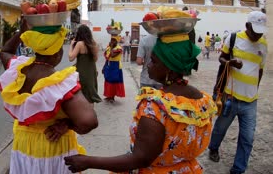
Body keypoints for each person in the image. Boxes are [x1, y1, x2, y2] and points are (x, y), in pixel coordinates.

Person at [64, 32, 217, 173]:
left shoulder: (155, 107)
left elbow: (141, 158)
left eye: (154, 61)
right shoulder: (204, 100)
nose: (148, 64)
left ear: (169, 69)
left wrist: (89, 161)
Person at [0, 19, 98, 173]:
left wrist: (21, 31)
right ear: (58, 53)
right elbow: (89, 121)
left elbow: (5, 51)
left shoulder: (17, 70)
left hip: (23, 146)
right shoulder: (60, 84)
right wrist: (67, 124)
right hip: (53, 147)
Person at [208, 11, 268, 174]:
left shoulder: (263, 44)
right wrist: (230, 62)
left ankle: (238, 169)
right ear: (247, 26)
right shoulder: (234, 38)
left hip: (251, 101)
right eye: (255, 30)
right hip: (230, 96)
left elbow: (260, 70)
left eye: (261, 31)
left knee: (247, 138)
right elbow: (221, 58)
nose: (258, 34)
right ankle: (213, 148)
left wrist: (254, 89)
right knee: (220, 129)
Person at [68, 25, 102, 103]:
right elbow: (95, 59)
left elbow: (71, 58)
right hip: (92, 71)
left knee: (83, 93)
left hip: (82, 72)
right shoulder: (94, 44)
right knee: (90, 94)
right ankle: (91, 112)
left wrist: (71, 46)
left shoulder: (80, 44)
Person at [102, 36, 125, 102]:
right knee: (108, 80)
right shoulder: (108, 48)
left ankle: (112, 97)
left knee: (114, 81)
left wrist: (111, 47)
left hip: (116, 66)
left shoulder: (119, 48)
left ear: (116, 41)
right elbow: (107, 58)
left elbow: (112, 55)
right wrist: (104, 67)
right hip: (109, 65)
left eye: (113, 40)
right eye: (111, 40)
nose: (112, 42)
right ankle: (108, 95)